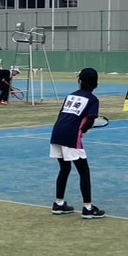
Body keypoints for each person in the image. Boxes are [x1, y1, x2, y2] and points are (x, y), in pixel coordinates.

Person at [50, 68, 105, 219]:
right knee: (84, 171)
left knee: (64, 168)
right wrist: (84, 131)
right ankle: (88, 208)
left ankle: (59, 204)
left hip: (56, 133)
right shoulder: (93, 99)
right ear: (96, 84)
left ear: (80, 81)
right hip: (71, 136)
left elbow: (62, 114)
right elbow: (91, 120)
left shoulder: (70, 96)